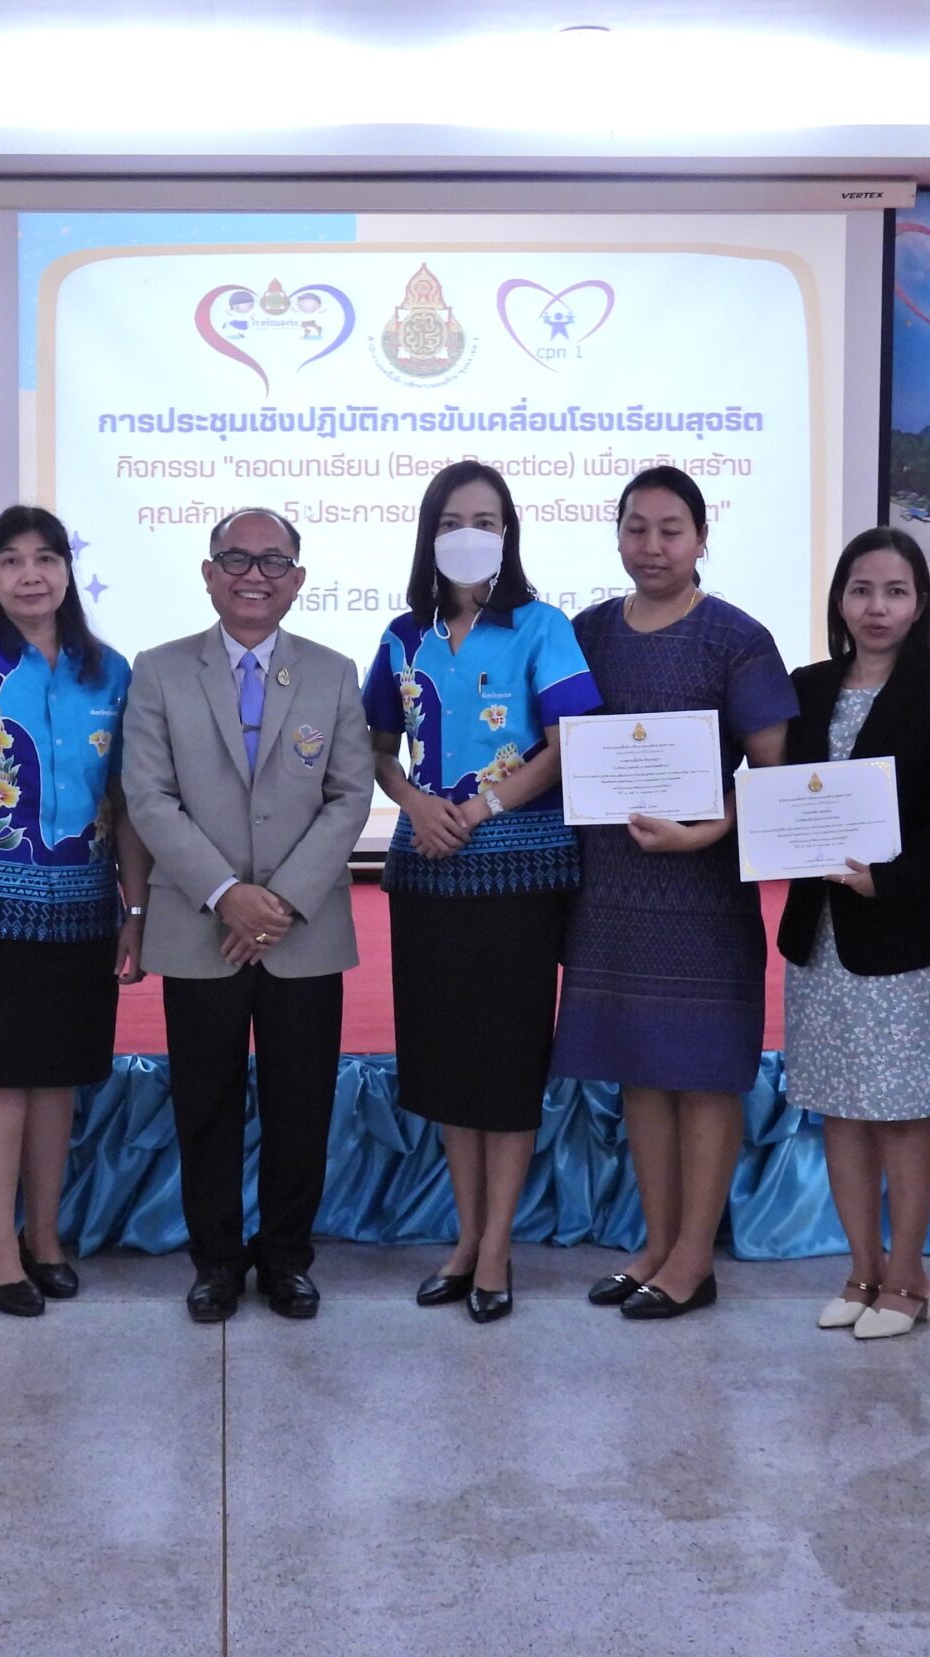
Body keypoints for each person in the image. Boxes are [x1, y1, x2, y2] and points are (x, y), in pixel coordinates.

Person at [121, 508, 374, 1323]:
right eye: (235, 559)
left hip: (306, 929)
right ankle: (217, 1262)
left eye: (272, 562)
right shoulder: (159, 670)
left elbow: (349, 796)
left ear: (297, 579)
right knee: (206, 1102)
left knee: (302, 1103)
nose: (253, 575)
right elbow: (147, 796)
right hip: (200, 925)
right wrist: (227, 892)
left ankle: (288, 1259)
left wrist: (282, 899)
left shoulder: (333, 672)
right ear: (208, 573)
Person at [551, 467, 792, 1320]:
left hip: (701, 891)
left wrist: (701, 833)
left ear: (700, 538)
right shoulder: (584, 632)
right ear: (617, 533)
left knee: (703, 1075)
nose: (651, 546)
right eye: (636, 528)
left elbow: (772, 775)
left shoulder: (738, 638)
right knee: (639, 1074)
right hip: (610, 892)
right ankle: (655, 1244)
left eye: (670, 530)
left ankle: (695, 1257)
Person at [364, 461, 600, 1322]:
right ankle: (465, 1238)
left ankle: (497, 1246)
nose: (470, 534)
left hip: (519, 876)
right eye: (453, 520)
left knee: (504, 1065)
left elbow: (569, 742)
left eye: (487, 520)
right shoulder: (402, 635)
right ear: (430, 533)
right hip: (426, 871)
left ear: (510, 534)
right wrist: (415, 803)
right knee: (447, 1063)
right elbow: (378, 750)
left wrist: (484, 804)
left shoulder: (542, 626)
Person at [0, 505, 152, 1316]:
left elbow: (127, 804)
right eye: (10, 560)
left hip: (83, 914)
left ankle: (45, 1237)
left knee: (57, 1081)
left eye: (46, 558)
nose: (31, 575)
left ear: (67, 571)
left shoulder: (111, 673)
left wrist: (135, 908)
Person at [777, 528, 930, 1340]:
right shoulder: (807, 686)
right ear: (839, 600)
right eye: (861, 589)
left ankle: (909, 1274)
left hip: (907, 935)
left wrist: (885, 878)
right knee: (840, 1109)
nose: (877, 607)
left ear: (920, 602)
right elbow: (784, 794)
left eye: (895, 591)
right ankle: (861, 1269)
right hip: (821, 935)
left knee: (900, 1112)